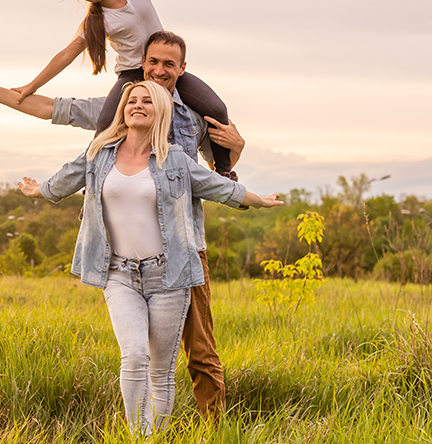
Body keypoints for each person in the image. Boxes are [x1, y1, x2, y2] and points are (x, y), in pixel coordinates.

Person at [0, 31, 245, 417]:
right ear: (142, 64)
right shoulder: (117, 109)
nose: (160, 70)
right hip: (125, 257)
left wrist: (238, 146)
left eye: (170, 64)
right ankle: (146, 432)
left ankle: (213, 430)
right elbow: (49, 107)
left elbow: (221, 175)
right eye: (153, 62)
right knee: (137, 354)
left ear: (182, 69)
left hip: (184, 250)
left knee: (200, 351)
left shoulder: (196, 120)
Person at [18, 80, 282, 435]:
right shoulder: (100, 152)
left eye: (146, 101)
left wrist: (258, 199)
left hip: (169, 275)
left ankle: (155, 436)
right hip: (119, 274)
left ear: (161, 110)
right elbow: (66, 178)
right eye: (131, 100)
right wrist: (39, 191)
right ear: (123, 110)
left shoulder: (175, 159)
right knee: (135, 355)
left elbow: (219, 187)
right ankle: (138, 437)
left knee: (161, 369)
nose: (137, 105)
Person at [11, 0, 237, 178]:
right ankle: (93, 190)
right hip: (133, 75)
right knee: (106, 127)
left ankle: (224, 174)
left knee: (217, 109)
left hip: (164, 69)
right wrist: (31, 85)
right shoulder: (96, 22)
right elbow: (67, 54)